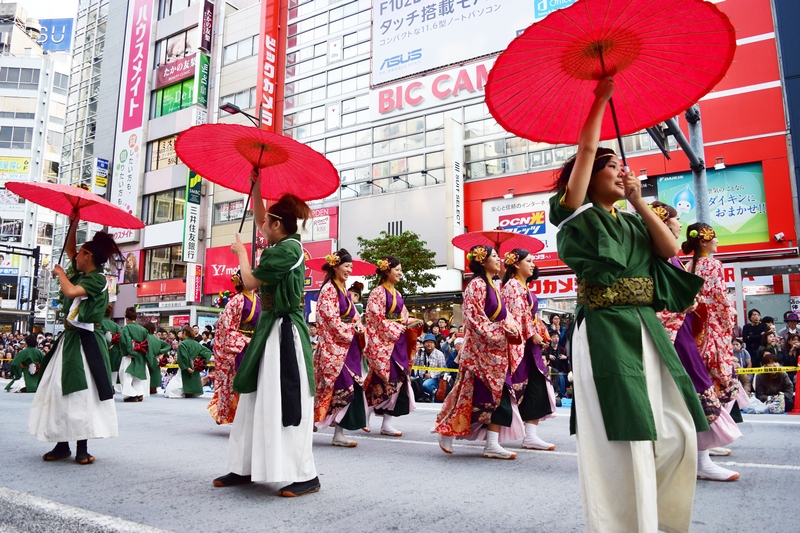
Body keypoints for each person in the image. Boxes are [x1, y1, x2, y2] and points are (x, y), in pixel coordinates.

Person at [547, 77, 709, 532]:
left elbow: (669, 249)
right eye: (610, 166)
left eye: (622, 165)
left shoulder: (633, 219)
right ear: (587, 176)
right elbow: (583, 152)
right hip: (604, 329)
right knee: (625, 438)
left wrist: (640, 200)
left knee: (675, 430)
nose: (621, 171)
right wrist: (599, 100)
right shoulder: (576, 213)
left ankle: (656, 520)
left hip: (645, 328)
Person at [214, 189, 319, 498]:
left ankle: (305, 474)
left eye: (265, 223)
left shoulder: (283, 251)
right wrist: (256, 185)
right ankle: (245, 466)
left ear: (277, 225)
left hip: (283, 332)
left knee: (283, 401)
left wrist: (241, 254)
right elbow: (262, 217)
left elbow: (248, 282)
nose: (260, 225)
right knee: (255, 400)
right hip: (270, 329)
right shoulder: (284, 244)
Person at [28, 222, 121, 465]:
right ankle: (61, 444)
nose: (75, 256)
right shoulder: (84, 273)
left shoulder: (97, 279)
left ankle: (82, 446)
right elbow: (70, 248)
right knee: (60, 390)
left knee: (83, 392)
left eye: (80, 254)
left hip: (86, 341)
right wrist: (74, 221)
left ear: (88, 256)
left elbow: (70, 292)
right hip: (70, 340)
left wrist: (59, 273)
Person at [668, 217, 742, 479]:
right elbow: (718, 299)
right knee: (718, 385)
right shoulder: (711, 264)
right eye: (715, 237)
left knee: (706, 386)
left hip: (691, 328)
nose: (718, 242)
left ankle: (704, 448)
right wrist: (728, 323)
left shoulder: (686, 263)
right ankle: (704, 450)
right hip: (706, 331)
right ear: (705, 239)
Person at [435, 245, 523, 459]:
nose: (499, 259)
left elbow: (505, 315)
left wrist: (511, 327)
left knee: (500, 395)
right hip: (481, 353)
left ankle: (491, 444)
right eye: (494, 256)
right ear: (482, 261)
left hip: (497, 351)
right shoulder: (476, 284)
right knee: (474, 397)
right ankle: (447, 430)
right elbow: (474, 319)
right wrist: (501, 329)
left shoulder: (494, 284)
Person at [501, 248, 556, 450]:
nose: (533, 264)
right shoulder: (512, 286)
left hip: (529, 347)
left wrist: (538, 332)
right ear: (516, 264)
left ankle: (530, 435)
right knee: (508, 389)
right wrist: (533, 333)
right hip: (518, 345)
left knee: (537, 385)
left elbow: (529, 316)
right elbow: (517, 316)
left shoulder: (522, 286)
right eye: (529, 261)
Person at [313, 249, 368, 447]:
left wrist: (358, 327)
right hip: (335, 346)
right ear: (335, 266)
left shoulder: (343, 288)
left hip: (349, 345)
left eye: (351, 267)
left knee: (350, 386)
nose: (349, 270)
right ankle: (319, 423)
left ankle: (338, 433)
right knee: (343, 385)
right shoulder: (329, 289)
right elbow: (328, 318)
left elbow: (353, 315)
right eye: (346, 266)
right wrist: (349, 329)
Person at [364, 256, 422, 437]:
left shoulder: (396, 294)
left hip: (398, 342)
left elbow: (402, 317)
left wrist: (411, 322)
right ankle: (365, 413)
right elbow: (375, 319)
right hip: (384, 343)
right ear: (386, 270)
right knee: (382, 379)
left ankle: (386, 422)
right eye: (397, 269)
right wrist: (397, 326)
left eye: (401, 270)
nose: (400, 273)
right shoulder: (377, 292)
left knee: (399, 381)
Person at [208, 270, 260, 425]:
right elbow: (226, 328)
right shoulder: (236, 300)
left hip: (255, 343)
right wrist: (244, 340)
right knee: (239, 379)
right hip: (240, 347)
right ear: (241, 281)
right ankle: (237, 415)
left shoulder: (259, 299)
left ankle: (252, 415)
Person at [165, 325, 211, 399]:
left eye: (182, 332)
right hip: (195, 366)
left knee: (172, 389)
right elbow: (208, 352)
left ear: (185, 333)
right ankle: (191, 392)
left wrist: (186, 367)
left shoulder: (182, 344)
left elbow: (183, 357)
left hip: (185, 368)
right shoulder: (197, 344)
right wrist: (201, 361)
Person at [118, 307, 150, 403]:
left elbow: (126, 340)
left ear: (126, 319)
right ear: (136, 318)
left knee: (126, 375)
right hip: (141, 354)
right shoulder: (143, 330)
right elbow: (148, 343)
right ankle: (139, 393)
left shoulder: (126, 328)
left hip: (130, 355)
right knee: (138, 375)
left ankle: (131, 395)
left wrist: (130, 351)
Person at [411, 333, 445, 402]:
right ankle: (422, 396)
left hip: (434, 378)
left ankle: (432, 395)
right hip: (420, 377)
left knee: (426, 385)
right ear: (423, 344)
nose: (429, 344)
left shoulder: (439, 354)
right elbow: (415, 365)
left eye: (431, 342)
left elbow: (442, 369)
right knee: (412, 382)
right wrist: (417, 354)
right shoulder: (420, 353)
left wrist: (431, 375)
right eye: (427, 342)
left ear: (435, 344)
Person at [143, 322, 170, 394]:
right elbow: (168, 346)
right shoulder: (157, 340)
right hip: (155, 360)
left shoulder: (143, 338)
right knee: (154, 379)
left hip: (144, 359)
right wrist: (161, 351)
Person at [101, 304, 122, 388]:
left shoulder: (98, 323)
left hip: (103, 348)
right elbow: (121, 337)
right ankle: (112, 387)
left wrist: (107, 344)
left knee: (103, 368)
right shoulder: (115, 325)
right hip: (115, 350)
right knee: (113, 369)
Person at [543, 334, 569, 399]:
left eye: (557, 337)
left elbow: (567, 362)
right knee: (557, 374)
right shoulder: (547, 349)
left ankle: (562, 395)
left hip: (561, 370)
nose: (556, 338)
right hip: (549, 370)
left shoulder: (563, 350)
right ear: (551, 338)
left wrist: (565, 357)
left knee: (560, 375)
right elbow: (543, 357)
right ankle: (554, 394)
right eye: (554, 337)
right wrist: (548, 356)